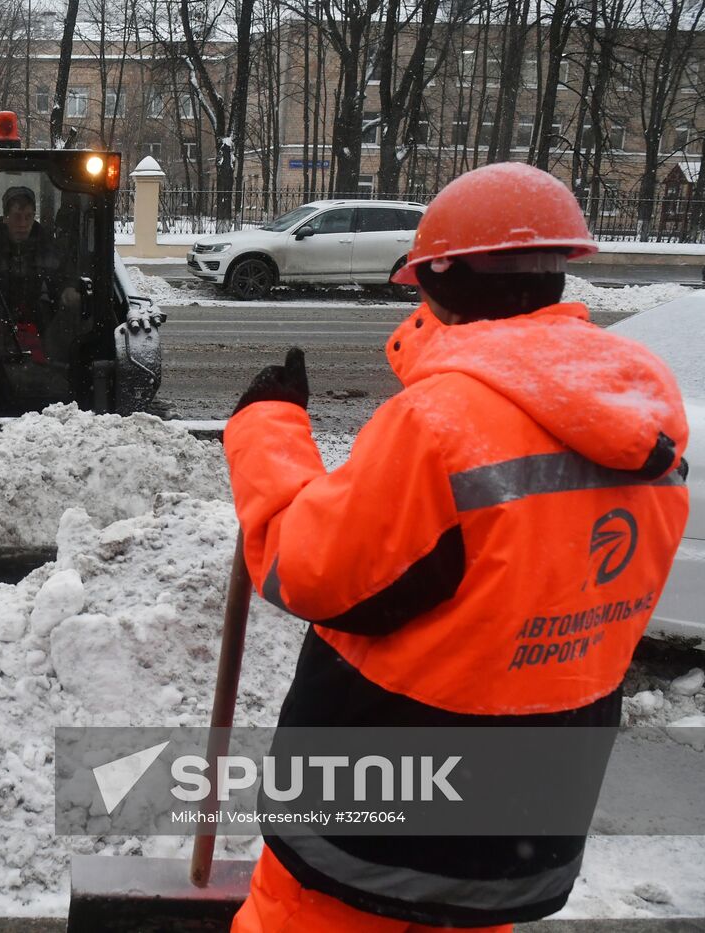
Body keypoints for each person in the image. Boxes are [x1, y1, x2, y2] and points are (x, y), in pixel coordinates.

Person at [224, 162, 690, 932]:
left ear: (436, 278)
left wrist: (266, 427)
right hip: (520, 823)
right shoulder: (645, 416)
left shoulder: (446, 422)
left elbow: (308, 569)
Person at [0, 185, 82, 364]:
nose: (23, 224)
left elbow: (64, 274)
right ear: (5, 218)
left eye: (28, 217)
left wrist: (68, 289)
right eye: (17, 217)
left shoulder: (47, 248)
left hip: (39, 321)